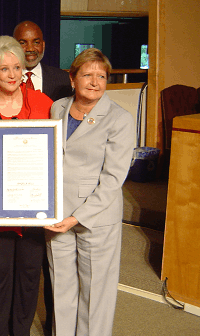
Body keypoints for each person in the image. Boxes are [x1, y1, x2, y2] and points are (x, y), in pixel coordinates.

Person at [46, 48, 135, 336]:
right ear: (72, 78)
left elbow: (112, 179)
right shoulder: (57, 108)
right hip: (57, 212)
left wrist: (76, 218)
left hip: (95, 216)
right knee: (62, 286)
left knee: (96, 292)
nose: (95, 81)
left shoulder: (119, 119)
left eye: (101, 76)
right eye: (87, 75)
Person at [0, 35, 53, 336]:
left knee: (31, 277)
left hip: (35, 210)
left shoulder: (44, 104)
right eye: (4, 69)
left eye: (17, 67)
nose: (12, 74)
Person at [0, 20, 72, 102]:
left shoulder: (63, 79)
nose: (30, 49)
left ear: (43, 45)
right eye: (22, 43)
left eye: (36, 42)